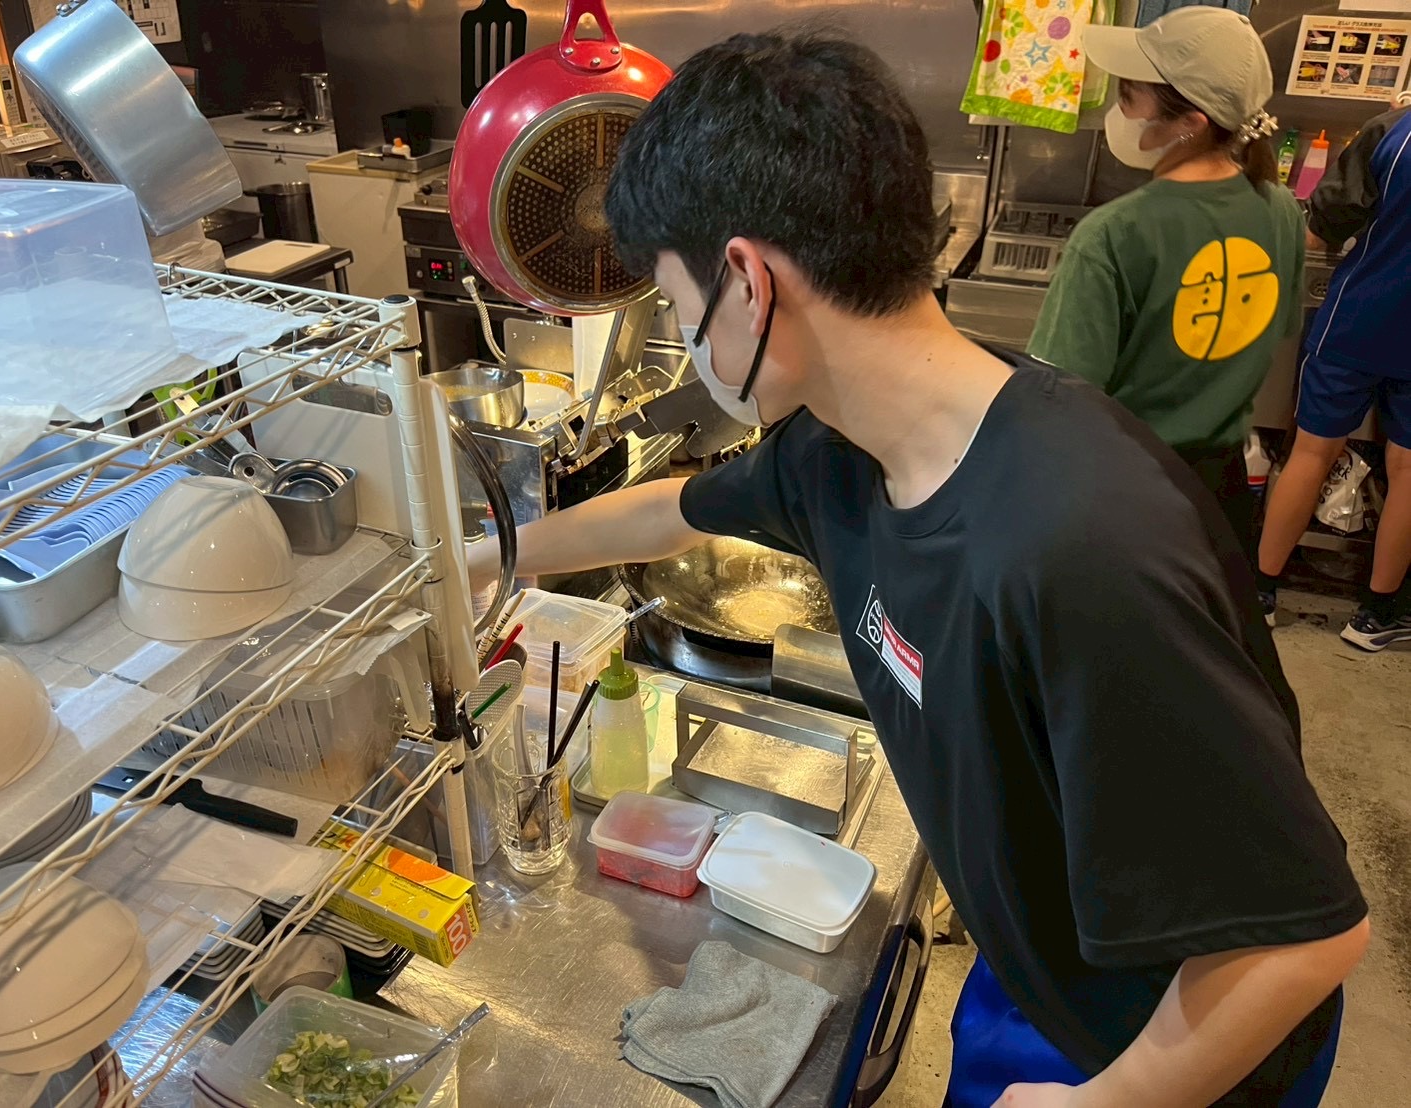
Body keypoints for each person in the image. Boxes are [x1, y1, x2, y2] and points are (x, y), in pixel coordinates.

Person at [473, 31, 1368, 1107]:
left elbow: (1302, 938)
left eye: (673, 303)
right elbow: (669, 512)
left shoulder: (1080, 547)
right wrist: (490, 558)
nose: (681, 334)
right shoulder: (837, 450)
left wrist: (1109, 1101)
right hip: (1047, 957)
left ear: (747, 282)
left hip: (1186, 1041)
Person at [1028, 9, 1303, 555]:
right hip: (1220, 494)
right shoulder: (1281, 210)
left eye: (1129, 97)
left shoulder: (1114, 232)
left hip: (1124, 495)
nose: (1120, 112)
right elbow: (1277, 330)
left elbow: (1057, 401)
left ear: (1190, 123)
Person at [1257, 104, 1411, 650]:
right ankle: (1375, 617)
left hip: (1357, 317)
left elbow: (1323, 228)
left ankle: (1260, 596)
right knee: (1408, 470)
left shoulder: (1394, 129)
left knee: (1311, 452)